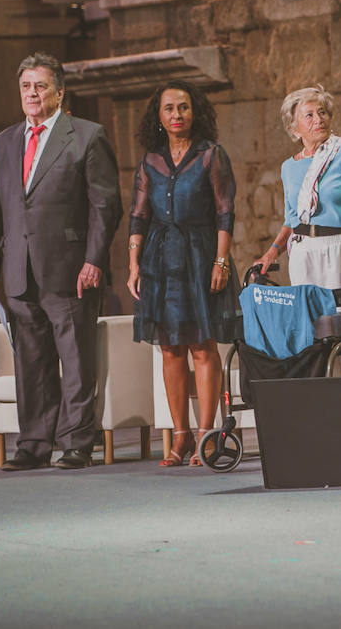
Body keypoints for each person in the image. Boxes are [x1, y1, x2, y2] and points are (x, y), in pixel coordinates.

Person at [0, 52, 122, 472]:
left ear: (60, 91)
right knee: (32, 362)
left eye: (40, 86)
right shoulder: (4, 141)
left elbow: (105, 206)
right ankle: (34, 444)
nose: (32, 94)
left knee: (76, 359)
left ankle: (78, 442)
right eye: (26, 86)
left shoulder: (87, 136)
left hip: (71, 268)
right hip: (19, 269)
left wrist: (94, 259)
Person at [126, 81, 243, 467]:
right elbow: (139, 216)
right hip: (160, 262)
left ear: (195, 112)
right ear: (158, 117)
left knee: (201, 346)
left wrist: (221, 261)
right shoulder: (150, 161)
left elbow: (225, 212)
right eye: (169, 109)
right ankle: (180, 437)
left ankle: (209, 435)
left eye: (184, 108)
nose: (177, 115)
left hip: (201, 255)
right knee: (170, 348)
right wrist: (133, 264)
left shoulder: (211, 155)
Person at [250, 86, 341, 376]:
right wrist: (271, 252)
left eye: (323, 112)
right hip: (305, 253)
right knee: (314, 335)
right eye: (310, 115)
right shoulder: (288, 168)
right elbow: (292, 219)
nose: (319, 120)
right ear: (294, 127)